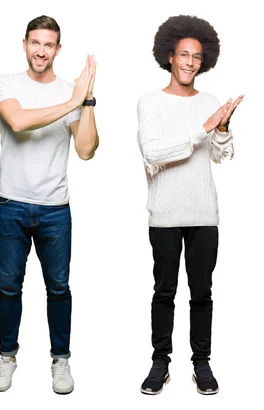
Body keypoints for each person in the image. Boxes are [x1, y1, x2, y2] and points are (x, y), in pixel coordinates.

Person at [0, 15, 99, 395]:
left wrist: (85, 102)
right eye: (35, 43)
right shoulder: (6, 83)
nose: (40, 51)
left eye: (48, 44)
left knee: (59, 288)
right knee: (8, 287)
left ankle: (61, 360)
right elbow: (18, 122)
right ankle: (7, 357)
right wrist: (71, 100)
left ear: (57, 49)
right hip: (11, 204)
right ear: (24, 44)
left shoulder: (73, 91)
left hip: (55, 208)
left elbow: (86, 150)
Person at [137, 15, 242, 396]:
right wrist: (204, 127)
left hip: (203, 214)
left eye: (196, 57)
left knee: (202, 292)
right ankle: (160, 362)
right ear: (169, 56)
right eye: (183, 54)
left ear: (204, 61)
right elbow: (155, 153)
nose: (189, 62)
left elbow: (220, 154)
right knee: (164, 291)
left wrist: (224, 126)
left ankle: (202, 362)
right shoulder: (150, 102)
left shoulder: (211, 102)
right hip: (165, 214)